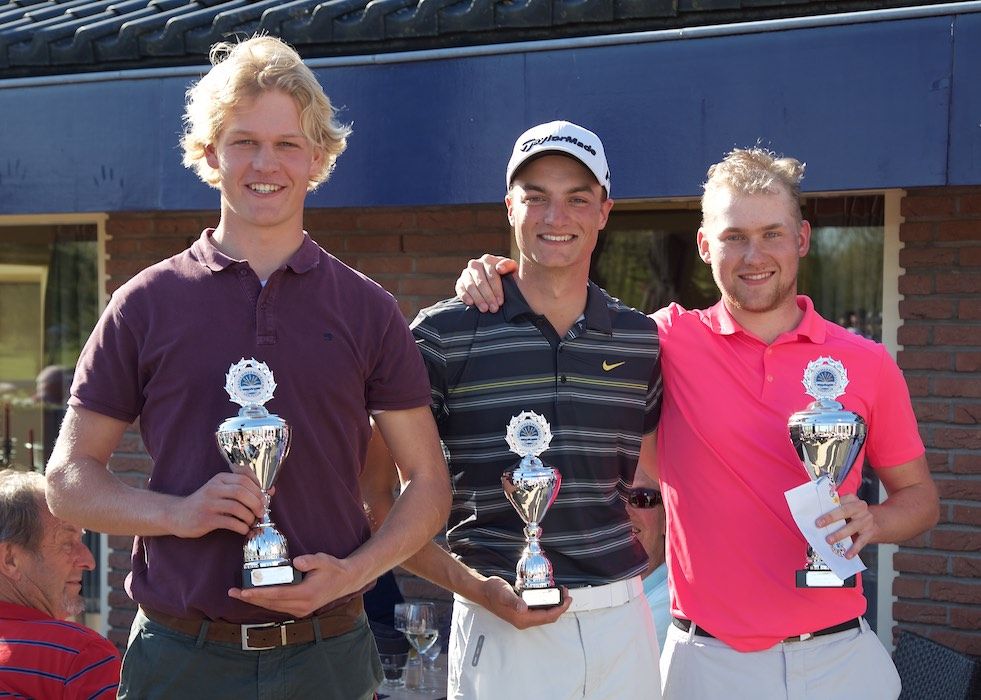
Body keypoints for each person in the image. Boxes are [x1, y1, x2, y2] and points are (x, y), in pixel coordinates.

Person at [44, 36, 450, 700]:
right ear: (210, 153)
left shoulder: (367, 309)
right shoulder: (144, 303)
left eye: (288, 144)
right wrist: (177, 514)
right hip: (180, 658)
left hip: (329, 657)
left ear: (317, 156)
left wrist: (354, 574)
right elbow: (67, 479)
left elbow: (428, 484)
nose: (267, 164)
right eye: (244, 142)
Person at [454, 146, 940, 699]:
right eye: (734, 236)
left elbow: (920, 499)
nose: (754, 254)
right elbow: (562, 302)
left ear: (801, 238)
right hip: (706, 665)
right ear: (707, 246)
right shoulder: (662, 341)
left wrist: (875, 521)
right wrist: (492, 274)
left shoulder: (867, 362)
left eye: (772, 233)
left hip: (839, 659)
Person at [366, 120, 664, 699]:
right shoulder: (442, 336)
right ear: (509, 207)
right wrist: (474, 588)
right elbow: (378, 499)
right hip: (501, 623)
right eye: (537, 198)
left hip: (623, 626)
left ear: (604, 211)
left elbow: (649, 474)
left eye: (578, 199)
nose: (557, 218)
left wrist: (648, 545)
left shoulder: (640, 340)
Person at [0, 470, 120, 699]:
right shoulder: (81, 655)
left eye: (81, 541)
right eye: (67, 543)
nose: (89, 561)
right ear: (10, 559)